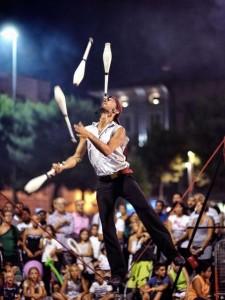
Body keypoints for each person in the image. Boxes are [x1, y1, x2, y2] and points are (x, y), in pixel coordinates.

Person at [52, 95, 184, 285]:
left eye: (111, 99)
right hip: (104, 183)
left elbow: (107, 150)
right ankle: (118, 273)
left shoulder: (118, 130)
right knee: (107, 226)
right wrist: (63, 166)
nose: (106, 98)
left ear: (115, 111)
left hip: (123, 178)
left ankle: (172, 254)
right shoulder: (88, 129)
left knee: (147, 213)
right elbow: (77, 157)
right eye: (106, 98)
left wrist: (88, 135)